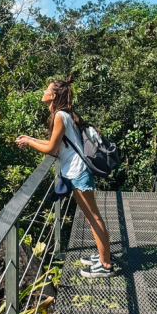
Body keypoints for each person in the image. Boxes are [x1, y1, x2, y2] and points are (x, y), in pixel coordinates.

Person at [15, 77, 113, 278]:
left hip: (78, 172)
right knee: (90, 216)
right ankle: (103, 255)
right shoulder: (64, 114)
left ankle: (106, 264)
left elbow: (51, 149)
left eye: (46, 89)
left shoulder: (60, 115)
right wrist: (30, 139)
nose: (43, 91)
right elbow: (55, 143)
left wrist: (31, 143)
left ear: (53, 95)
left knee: (93, 216)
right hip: (76, 172)